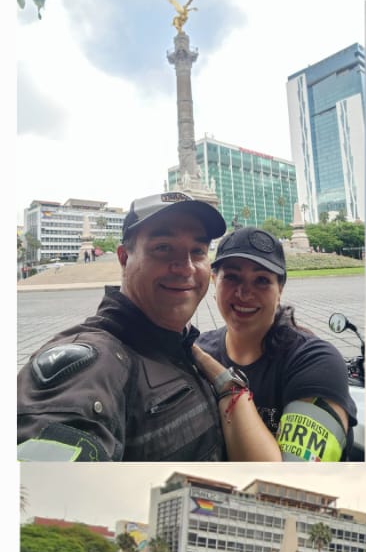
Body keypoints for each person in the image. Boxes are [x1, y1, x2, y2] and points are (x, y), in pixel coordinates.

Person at [17, 192, 228, 461]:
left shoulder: (180, 345)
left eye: (198, 251)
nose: (185, 267)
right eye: (163, 248)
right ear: (124, 258)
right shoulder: (91, 365)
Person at [192, 227, 357, 462]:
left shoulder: (316, 362)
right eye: (232, 277)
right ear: (214, 281)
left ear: (280, 289)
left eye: (261, 280)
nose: (244, 293)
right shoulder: (200, 349)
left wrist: (226, 384)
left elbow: (293, 475)